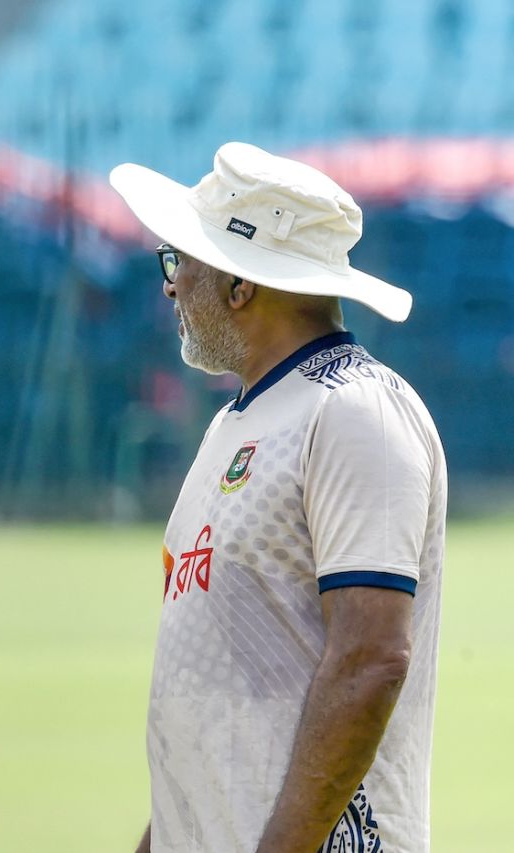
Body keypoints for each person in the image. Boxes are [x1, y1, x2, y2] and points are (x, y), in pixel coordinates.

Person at [109, 142, 446, 852]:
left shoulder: (357, 410)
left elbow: (372, 656)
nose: (170, 286)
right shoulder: (234, 423)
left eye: (180, 260)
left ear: (239, 284)